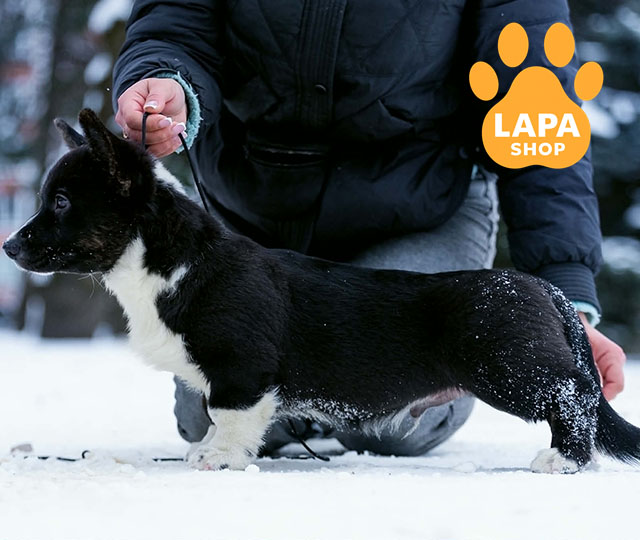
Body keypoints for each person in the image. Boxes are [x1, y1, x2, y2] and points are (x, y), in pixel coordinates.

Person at [112, 0, 626, 456]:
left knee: (390, 425)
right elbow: (174, 25)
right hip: (254, 220)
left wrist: (566, 299)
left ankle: (339, 390)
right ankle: (304, 395)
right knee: (213, 414)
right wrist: (166, 77)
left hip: (419, 209)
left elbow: (536, 111)